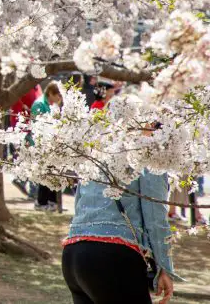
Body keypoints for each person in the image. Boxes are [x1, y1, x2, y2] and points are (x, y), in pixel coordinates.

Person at [63, 169, 177, 304]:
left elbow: (79, 202)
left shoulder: (95, 150)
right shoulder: (151, 156)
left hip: (74, 252)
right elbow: (155, 216)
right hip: (113, 254)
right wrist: (164, 267)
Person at [31, 81, 64, 211]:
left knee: (53, 173)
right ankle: (41, 202)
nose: (59, 99)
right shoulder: (39, 104)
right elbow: (37, 125)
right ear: (50, 93)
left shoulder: (53, 105)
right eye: (58, 95)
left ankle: (52, 201)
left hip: (52, 143)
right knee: (45, 173)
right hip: (42, 143)